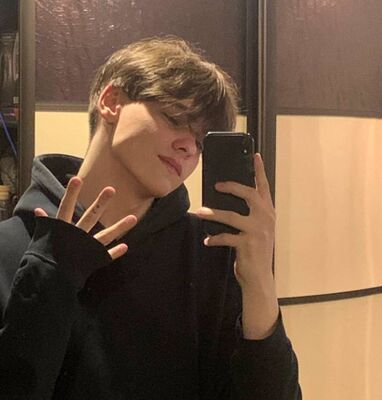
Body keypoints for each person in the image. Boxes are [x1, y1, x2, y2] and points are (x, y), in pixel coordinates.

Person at [0, 37, 301, 399]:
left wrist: (260, 284)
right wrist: (47, 283)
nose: (188, 147)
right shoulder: (11, 248)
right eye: (175, 118)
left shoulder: (208, 253)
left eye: (201, 141)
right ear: (112, 102)